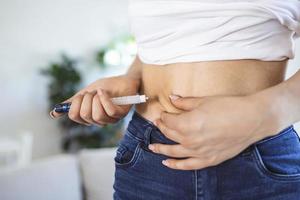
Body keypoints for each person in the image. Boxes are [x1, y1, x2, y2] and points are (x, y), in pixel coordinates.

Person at [51, 0, 300, 199]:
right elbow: (170, 39)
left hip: (258, 159)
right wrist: (131, 77)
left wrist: (264, 113)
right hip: (148, 159)